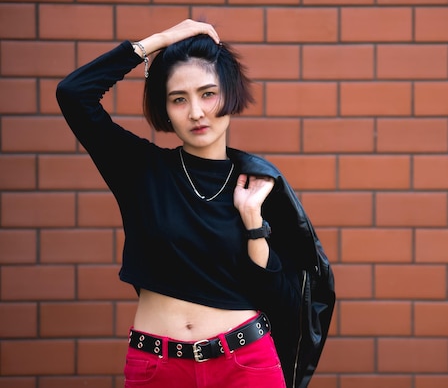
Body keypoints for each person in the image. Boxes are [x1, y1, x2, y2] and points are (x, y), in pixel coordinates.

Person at [56, 19, 335, 388]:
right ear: (165, 109)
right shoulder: (140, 170)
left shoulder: (259, 183)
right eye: (179, 99)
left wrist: (254, 223)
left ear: (229, 95)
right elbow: (73, 93)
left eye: (208, 94)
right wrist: (160, 41)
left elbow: (282, 300)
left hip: (246, 365)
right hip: (157, 368)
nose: (196, 112)